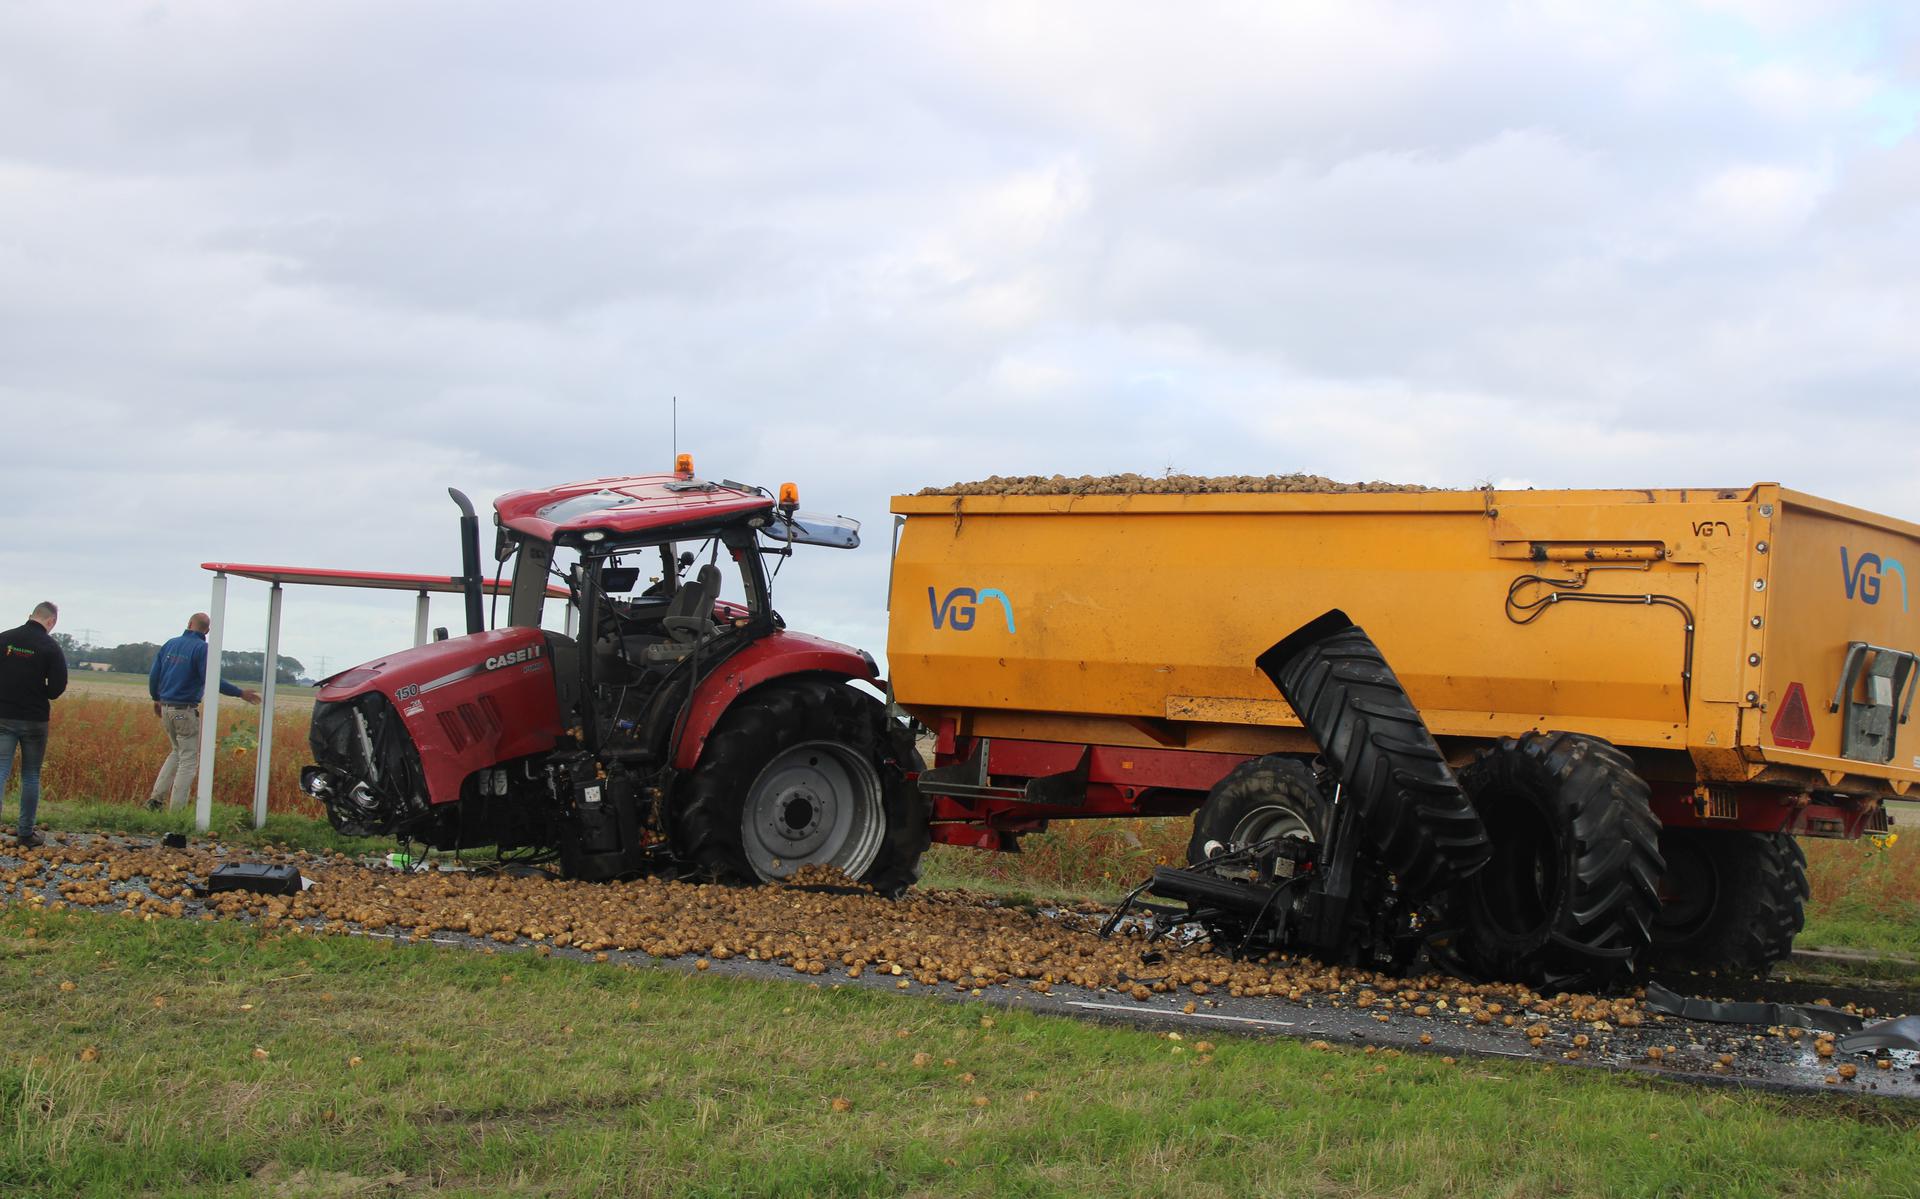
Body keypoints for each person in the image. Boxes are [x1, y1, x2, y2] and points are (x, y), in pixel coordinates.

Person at [146, 613, 260, 813]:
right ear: (207, 631)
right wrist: (240, 693)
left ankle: (155, 800)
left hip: (165, 708)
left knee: (176, 751)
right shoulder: (202, 649)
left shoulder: (170, 644)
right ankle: (176, 811)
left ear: (189, 624)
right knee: (189, 759)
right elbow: (212, 678)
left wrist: (156, 697)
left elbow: (154, 674)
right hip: (184, 711)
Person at [0, 602, 69, 847]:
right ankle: (26, 833)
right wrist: (41, 689)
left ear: (31, 615)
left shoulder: (5, 638)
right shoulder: (50, 647)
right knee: (30, 775)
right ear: (51, 622)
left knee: (1, 772)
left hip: (3, 715)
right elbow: (57, 688)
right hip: (34, 720)